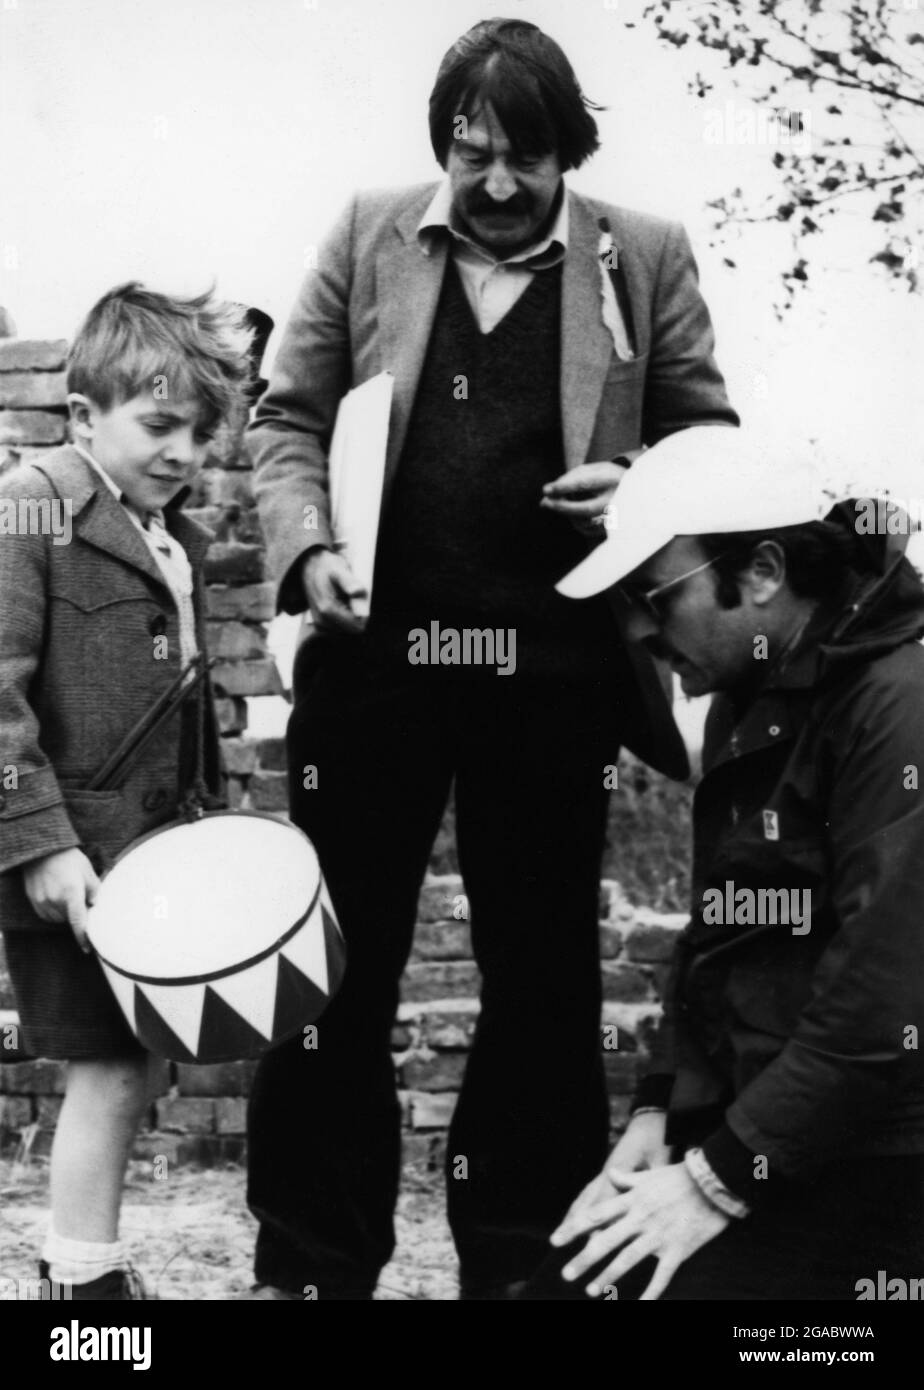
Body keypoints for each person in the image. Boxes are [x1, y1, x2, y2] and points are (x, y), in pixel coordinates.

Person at [246, 17, 738, 1300]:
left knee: (540, 983)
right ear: (443, 148)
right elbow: (285, 418)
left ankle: (525, 1261)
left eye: (528, 159)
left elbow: (707, 445)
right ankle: (310, 1259)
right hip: (374, 677)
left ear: (567, 152)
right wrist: (305, 555)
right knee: (332, 976)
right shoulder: (365, 231)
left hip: (554, 684)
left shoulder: (648, 253)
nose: (501, 185)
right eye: (475, 158)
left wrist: (639, 484)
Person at [528, 426, 924, 1300]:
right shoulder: (748, 693)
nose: (636, 627)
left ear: (764, 573)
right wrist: (660, 1107)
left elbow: (882, 1005)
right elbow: (723, 932)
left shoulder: (902, 703)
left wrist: (720, 1179)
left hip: (886, 1161)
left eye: (652, 595)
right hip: (782, 1129)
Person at [0, 283, 253, 1300]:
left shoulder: (171, 538)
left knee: (137, 1063)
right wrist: (41, 843)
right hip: (73, 859)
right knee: (108, 1067)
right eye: (158, 425)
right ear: (82, 416)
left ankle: (85, 1262)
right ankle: (84, 1286)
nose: (183, 452)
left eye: (199, 432)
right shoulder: (34, 506)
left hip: (151, 865)